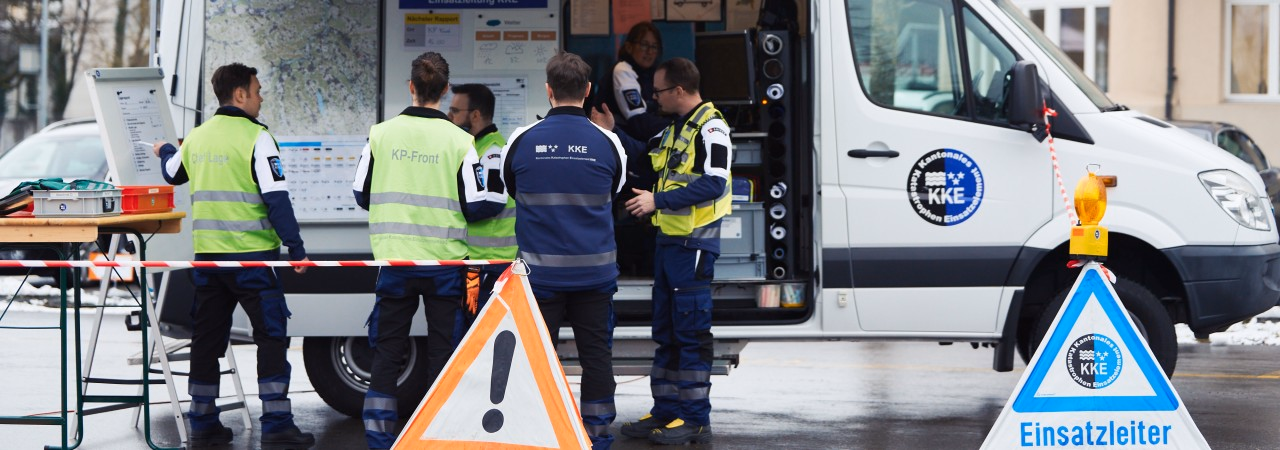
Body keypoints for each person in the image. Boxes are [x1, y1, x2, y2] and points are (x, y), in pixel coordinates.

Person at [153, 62, 315, 448]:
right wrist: (296, 248)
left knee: (206, 339)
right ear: (239, 94)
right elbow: (276, 199)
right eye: (257, 91)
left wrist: (166, 150)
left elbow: (172, 172)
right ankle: (277, 423)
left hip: (210, 261)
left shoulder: (198, 137)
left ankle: (203, 421)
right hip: (252, 258)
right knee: (271, 337)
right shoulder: (257, 138)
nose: (261, 98)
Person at [352, 52, 506, 450]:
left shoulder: (380, 134)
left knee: (388, 351)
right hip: (444, 264)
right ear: (445, 90)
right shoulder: (460, 141)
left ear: (411, 87)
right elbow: (476, 203)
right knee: (443, 351)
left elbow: (361, 194)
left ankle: (379, 437)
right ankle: (438, 435)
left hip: (396, 261)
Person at [501, 51, 627, 450]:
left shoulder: (520, 140)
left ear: (548, 90)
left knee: (537, 359)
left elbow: (513, 190)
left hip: (540, 278)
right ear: (588, 91)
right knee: (597, 358)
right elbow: (615, 192)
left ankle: (540, 437)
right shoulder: (608, 142)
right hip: (595, 276)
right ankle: (597, 437)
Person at [613, 57, 732, 445]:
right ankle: (666, 411)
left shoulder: (711, 127)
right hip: (669, 244)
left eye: (659, 91)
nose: (654, 97)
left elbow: (714, 183)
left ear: (679, 90)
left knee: (690, 334)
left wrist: (657, 201)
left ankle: (695, 420)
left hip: (693, 246)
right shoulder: (677, 128)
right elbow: (644, 155)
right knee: (666, 333)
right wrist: (612, 131)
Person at [448, 83, 514, 313]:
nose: (449, 116)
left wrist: (449, 213)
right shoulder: (475, 146)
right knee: (467, 320)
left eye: (455, 110)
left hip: (489, 263)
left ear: (475, 115)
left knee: (475, 321)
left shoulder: (493, 151)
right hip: (478, 261)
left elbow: (491, 203)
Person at [596, 22, 669, 141]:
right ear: (629, 47)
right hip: (618, 141)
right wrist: (675, 126)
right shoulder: (623, 70)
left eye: (654, 46)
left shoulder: (652, 74)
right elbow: (639, 123)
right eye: (644, 45)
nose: (649, 52)